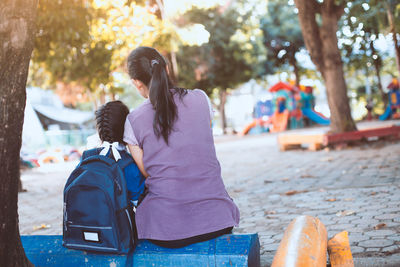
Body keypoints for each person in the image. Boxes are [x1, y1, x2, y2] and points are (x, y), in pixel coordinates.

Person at [123, 46, 240, 248]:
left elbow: (147, 172)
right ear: (166, 69)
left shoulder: (133, 121)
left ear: (136, 83)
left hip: (167, 230)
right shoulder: (201, 99)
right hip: (218, 219)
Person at [93, 100, 145, 205]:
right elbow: (138, 203)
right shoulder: (130, 166)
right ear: (126, 128)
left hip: (83, 220)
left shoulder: (86, 158)